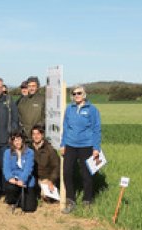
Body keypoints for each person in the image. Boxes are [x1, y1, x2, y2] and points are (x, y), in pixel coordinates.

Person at [59, 85, 102, 213]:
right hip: (70, 145)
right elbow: (65, 127)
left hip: (86, 146)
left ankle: (87, 200)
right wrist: (63, 144)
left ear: (84, 94)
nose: (76, 95)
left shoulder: (92, 109)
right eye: (74, 93)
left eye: (79, 93)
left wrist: (96, 148)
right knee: (67, 172)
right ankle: (70, 200)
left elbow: (96, 129)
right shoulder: (70, 109)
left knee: (86, 174)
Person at [2, 131, 37, 212]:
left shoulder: (30, 152)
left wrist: (22, 180)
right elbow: (6, 168)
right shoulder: (7, 152)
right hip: (14, 179)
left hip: (26, 180)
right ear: (12, 142)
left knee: (29, 208)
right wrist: (10, 178)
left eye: (19, 139)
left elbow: (28, 169)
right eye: (15, 140)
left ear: (23, 140)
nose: (17, 142)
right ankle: (12, 201)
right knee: (10, 187)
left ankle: (21, 199)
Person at [30, 124, 60, 204]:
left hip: (46, 178)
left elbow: (56, 166)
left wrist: (51, 180)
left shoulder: (49, 149)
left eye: (38, 134)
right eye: (34, 134)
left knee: (47, 197)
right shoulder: (28, 148)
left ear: (42, 135)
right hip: (33, 177)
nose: (36, 136)